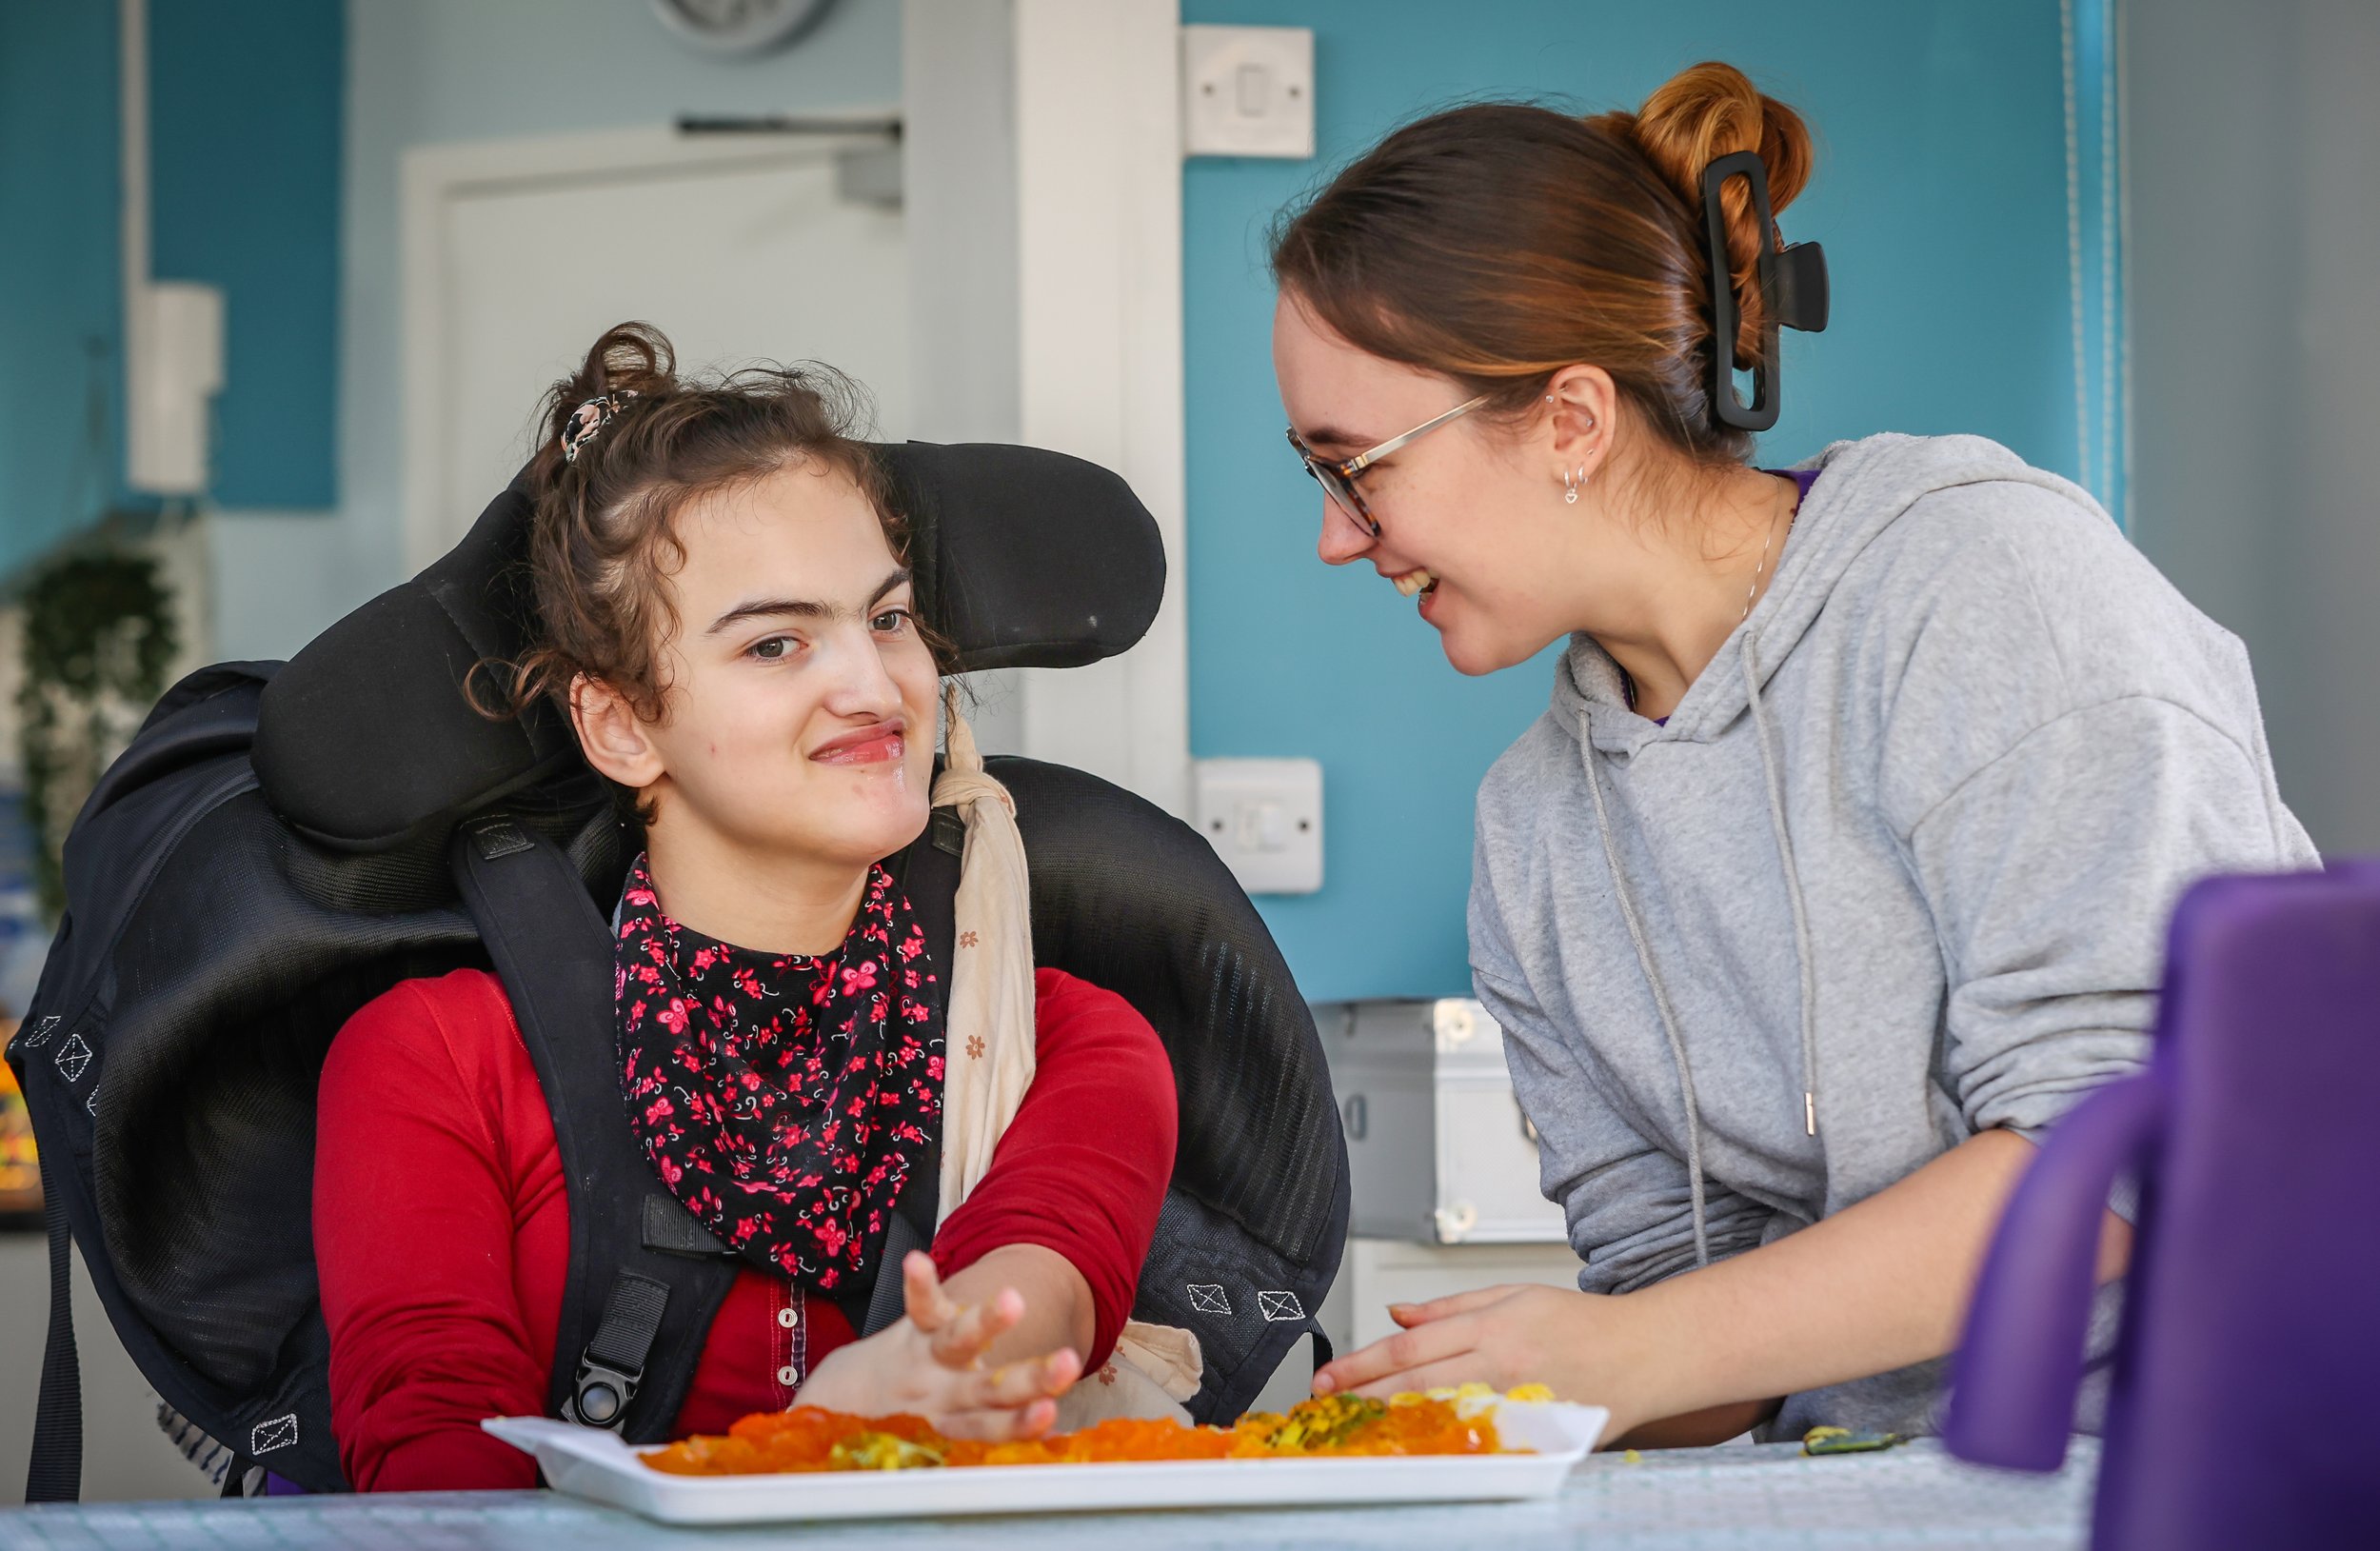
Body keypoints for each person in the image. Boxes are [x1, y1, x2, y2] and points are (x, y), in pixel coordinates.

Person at [1268, 63, 2314, 1445]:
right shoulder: (1533, 834)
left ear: (1572, 419)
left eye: (1357, 467)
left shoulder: (1985, 588)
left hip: (2230, 1458)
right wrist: (1486, 1397)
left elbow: (2131, 1150)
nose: (1336, 536)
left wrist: (1637, 1349)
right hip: (1876, 1498)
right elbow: (1682, 1322)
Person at [313, 324, 1178, 1490]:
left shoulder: (1067, 1045)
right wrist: (808, 1442)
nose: (874, 687)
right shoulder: (436, 1061)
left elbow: (1022, 1321)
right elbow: (437, 1485)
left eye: (887, 618)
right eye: (775, 643)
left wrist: (917, 1382)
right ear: (621, 723)